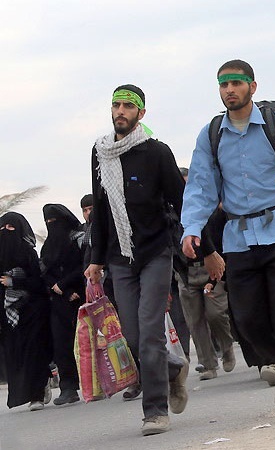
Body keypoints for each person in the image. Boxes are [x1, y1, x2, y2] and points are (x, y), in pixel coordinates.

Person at [181, 59, 275, 423]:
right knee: (247, 319)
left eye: (236, 83)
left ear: (252, 86)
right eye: (224, 84)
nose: (230, 90)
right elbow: (201, 187)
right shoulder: (211, 135)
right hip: (238, 240)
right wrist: (192, 227)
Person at [84, 84, 188, 436]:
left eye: (128, 106)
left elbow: (180, 200)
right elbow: (101, 208)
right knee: (131, 335)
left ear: (141, 113)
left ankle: (155, 410)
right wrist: (96, 259)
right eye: (116, 105)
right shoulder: (100, 152)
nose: (120, 111)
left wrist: (197, 243)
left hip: (155, 251)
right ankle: (172, 368)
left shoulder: (156, 152)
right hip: (118, 258)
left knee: (150, 334)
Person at [175, 167, 235, 381]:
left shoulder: (208, 209)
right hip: (185, 272)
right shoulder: (170, 213)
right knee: (195, 320)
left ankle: (226, 346)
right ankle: (208, 363)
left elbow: (219, 240)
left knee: (215, 313)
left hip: (210, 267)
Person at [0, 212, 53, 411]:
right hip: (9, 315)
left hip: (33, 310)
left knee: (34, 352)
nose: (6, 232)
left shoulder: (28, 253)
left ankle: (37, 394)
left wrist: (14, 282)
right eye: (2, 228)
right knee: (17, 355)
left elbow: (38, 282)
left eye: (11, 227)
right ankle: (29, 391)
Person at [40, 204, 85, 406]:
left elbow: (84, 266)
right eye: (48, 222)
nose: (51, 225)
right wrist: (61, 289)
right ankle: (68, 387)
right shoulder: (47, 247)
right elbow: (45, 272)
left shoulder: (78, 240)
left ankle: (96, 384)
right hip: (59, 301)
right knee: (61, 344)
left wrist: (67, 285)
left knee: (87, 342)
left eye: (54, 221)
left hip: (81, 297)